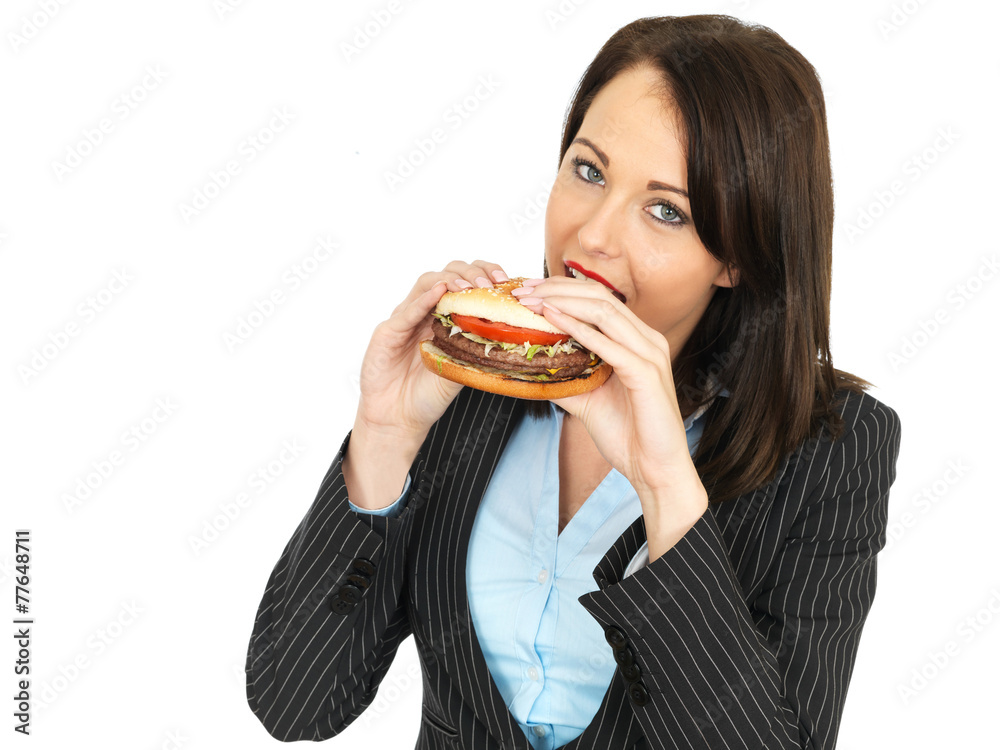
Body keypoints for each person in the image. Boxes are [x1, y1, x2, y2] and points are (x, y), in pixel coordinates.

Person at [245, 14, 901, 749]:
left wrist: (666, 491)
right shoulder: (466, 387)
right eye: (588, 171)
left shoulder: (834, 449)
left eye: (665, 211)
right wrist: (384, 438)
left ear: (737, 256)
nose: (592, 235)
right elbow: (293, 703)